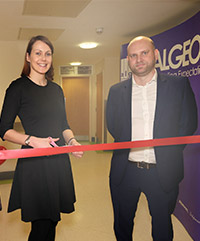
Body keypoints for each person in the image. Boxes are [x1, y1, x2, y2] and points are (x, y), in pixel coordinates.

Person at [106, 36, 197, 241]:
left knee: (163, 227)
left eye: (144, 53)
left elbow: (188, 123)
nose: (139, 59)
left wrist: (168, 152)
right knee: (122, 225)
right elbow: (113, 125)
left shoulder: (178, 85)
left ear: (155, 55)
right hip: (125, 171)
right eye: (133, 55)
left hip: (162, 171)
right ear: (128, 60)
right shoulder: (116, 91)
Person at [0, 35, 83, 241]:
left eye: (47, 54)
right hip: (35, 165)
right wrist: (32, 140)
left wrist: (72, 142)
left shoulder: (56, 90)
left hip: (58, 162)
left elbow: (63, 125)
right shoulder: (18, 88)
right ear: (28, 57)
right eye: (37, 53)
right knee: (40, 226)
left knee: (53, 221)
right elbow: (4, 129)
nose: (43, 58)